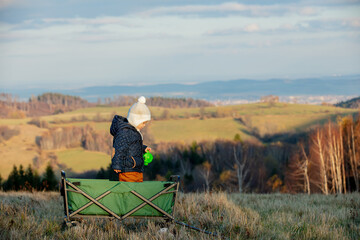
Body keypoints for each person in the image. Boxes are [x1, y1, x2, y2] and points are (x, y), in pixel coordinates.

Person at [110, 96, 151, 182]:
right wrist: (117, 165)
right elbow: (120, 148)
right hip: (127, 169)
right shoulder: (125, 132)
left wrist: (143, 148)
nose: (144, 125)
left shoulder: (133, 131)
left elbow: (133, 144)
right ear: (136, 120)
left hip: (137, 168)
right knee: (130, 191)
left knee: (138, 192)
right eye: (143, 123)